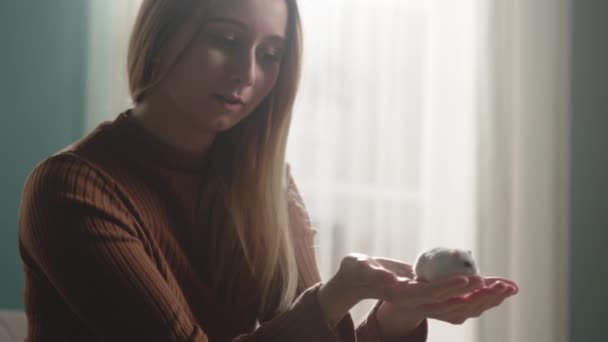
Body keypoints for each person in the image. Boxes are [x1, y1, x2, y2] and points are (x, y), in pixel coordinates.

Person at [17, 0, 519, 341]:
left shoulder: (268, 182)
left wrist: (400, 313)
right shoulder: (73, 190)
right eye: (225, 40)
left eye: (270, 54)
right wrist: (334, 296)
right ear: (164, 34)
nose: (247, 74)